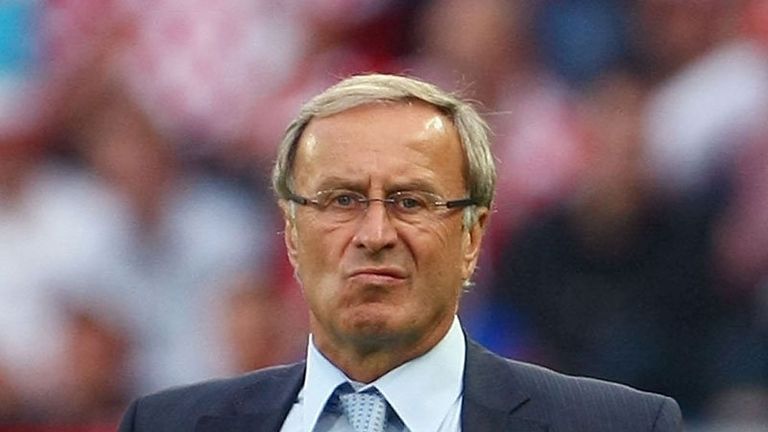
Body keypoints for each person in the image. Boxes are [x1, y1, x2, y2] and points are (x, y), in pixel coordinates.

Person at [118, 73, 683, 431]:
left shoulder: (620, 426)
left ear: (473, 236)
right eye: (341, 200)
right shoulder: (167, 425)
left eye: (410, 202)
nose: (375, 233)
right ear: (290, 233)